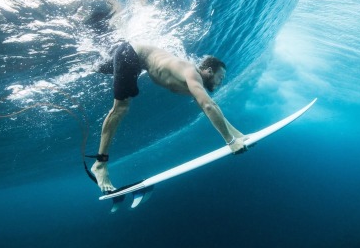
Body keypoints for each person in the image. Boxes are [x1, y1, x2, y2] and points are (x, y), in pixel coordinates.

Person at [90, 41, 247, 194]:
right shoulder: (192, 74)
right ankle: (100, 164)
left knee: (95, 67)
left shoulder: (193, 84)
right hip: (130, 54)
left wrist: (237, 135)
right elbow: (209, 106)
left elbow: (210, 109)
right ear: (209, 71)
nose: (221, 82)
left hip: (133, 59)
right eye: (221, 78)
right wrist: (230, 142)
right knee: (120, 108)